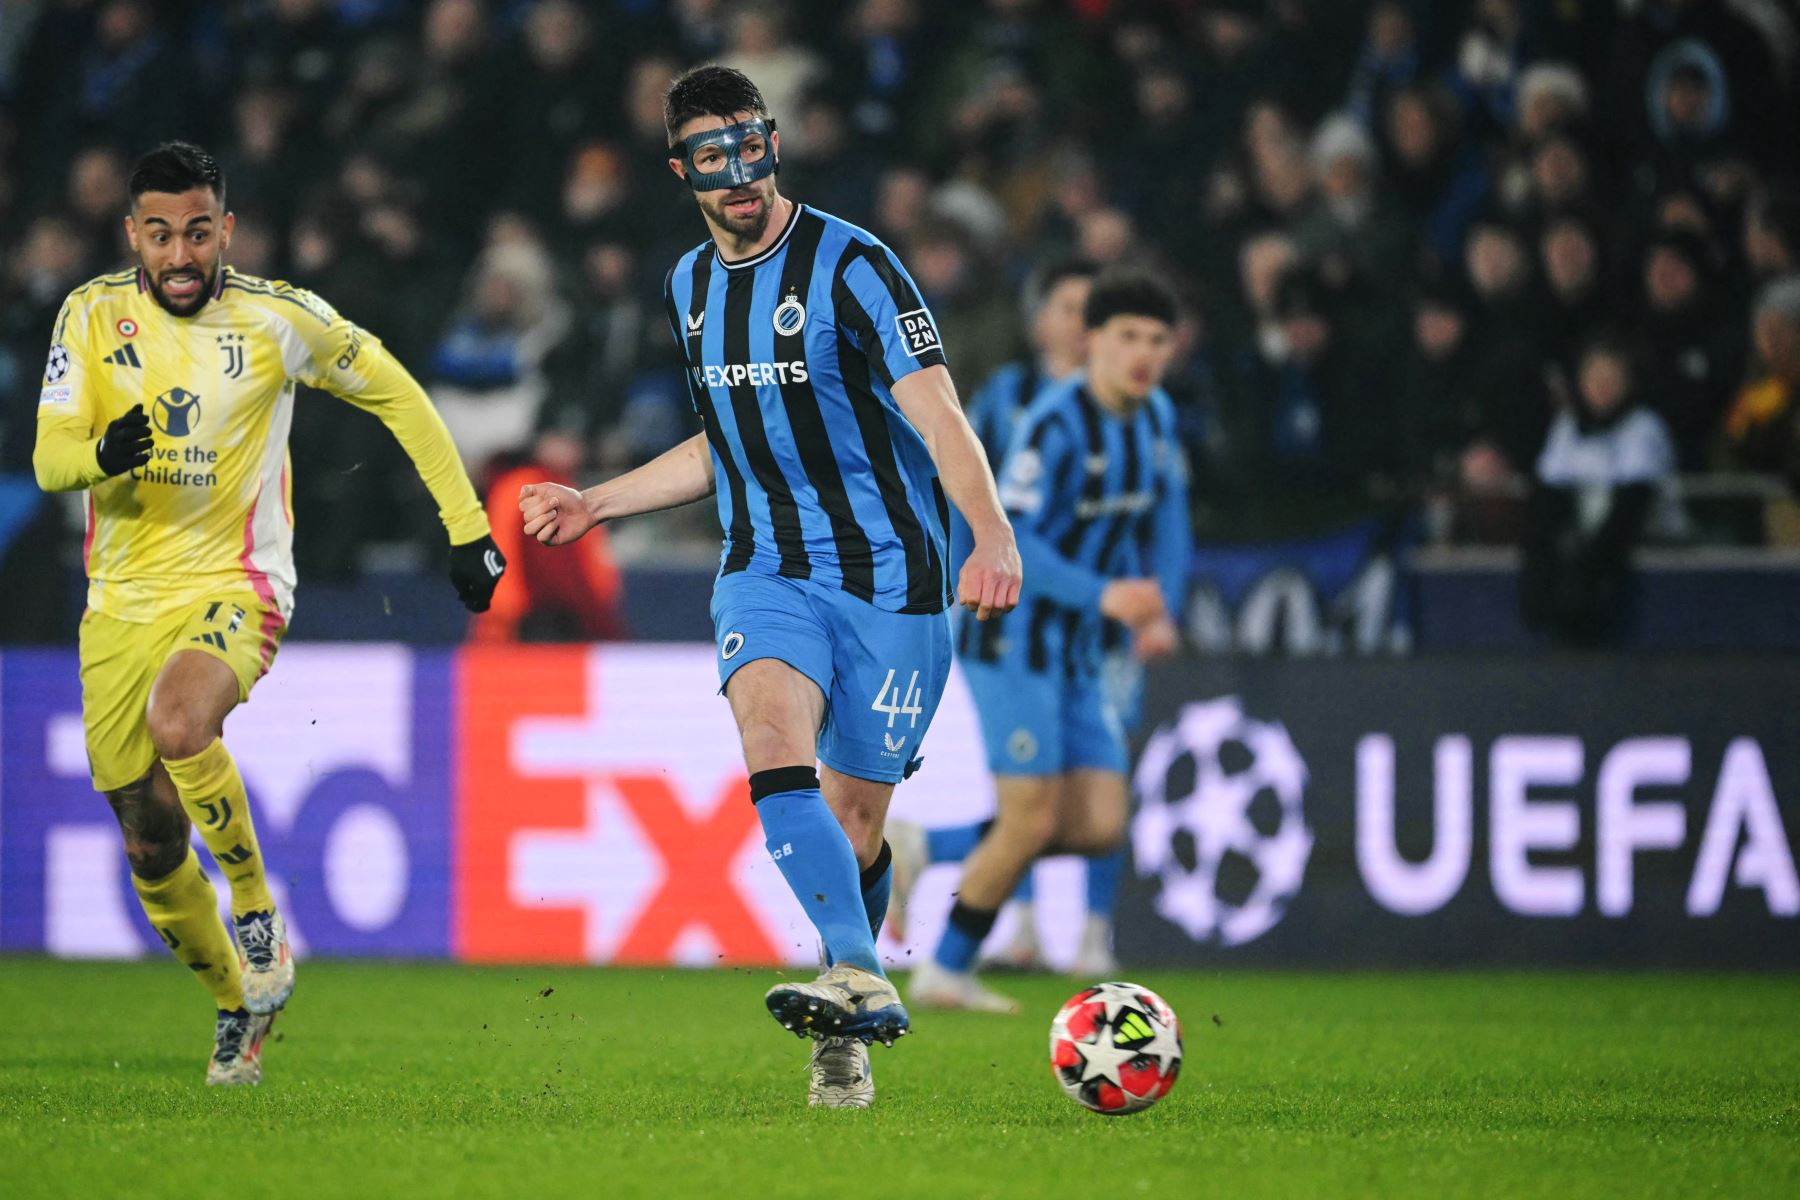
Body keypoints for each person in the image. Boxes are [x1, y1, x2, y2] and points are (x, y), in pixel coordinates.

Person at [516, 67, 1021, 1110]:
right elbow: (725, 442)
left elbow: (938, 413)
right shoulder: (688, 289)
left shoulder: (857, 266)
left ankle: (850, 980)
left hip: (896, 580)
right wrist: (599, 503)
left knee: (855, 817)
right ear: (681, 170)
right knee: (771, 742)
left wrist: (992, 533)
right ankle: (858, 979)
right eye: (712, 156)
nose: (738, 174)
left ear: (774, 141)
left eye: (751, 147)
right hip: (766, 568)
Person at [31, 143, 505, 1086]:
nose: (179, 254)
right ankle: (235, 1003)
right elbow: (49, 459)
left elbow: (399, 395)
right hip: (120, 603)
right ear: (133, 234)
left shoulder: (279, 318)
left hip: (236, 583)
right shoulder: (87, 315)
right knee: (147, 833)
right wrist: (102, 454)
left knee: (180, 721)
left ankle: (255, 909)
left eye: (197, 232)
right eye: (160, 234)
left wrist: (467, 528)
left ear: (226, 230)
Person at [894, 272, 1191, 1014]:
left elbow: (1166, 520)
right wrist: (1106, 595)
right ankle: (945, 970)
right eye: (1127, 336)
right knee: (1030, 818)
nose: (1143, 354)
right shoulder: (1055, 425)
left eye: (1157, 340)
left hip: (1079, 654)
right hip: (1012, 643)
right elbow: (1011, 534)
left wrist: (1160, 607)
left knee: (1097, 824)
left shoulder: (1156, 418)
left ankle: (925, 847)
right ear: (1091, 341)